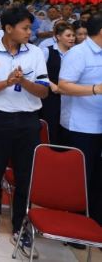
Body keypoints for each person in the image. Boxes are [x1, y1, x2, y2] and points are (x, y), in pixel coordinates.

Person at [0, 7, 49, 259]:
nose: (30, 32)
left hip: (28, 122)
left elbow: (43, 91)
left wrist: (23, 82)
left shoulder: (36, 53)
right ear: (8, 29)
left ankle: (20, 227)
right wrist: (6, 82)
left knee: (24, 178)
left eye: (30, 28)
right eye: (25, 28)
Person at [58, 13, 102, 225]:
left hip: (99, 123)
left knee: (98, 179)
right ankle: (75, 225)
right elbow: (64, 85)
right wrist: (95, 89)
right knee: (80, 179)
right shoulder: (78, 53)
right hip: (81, 126)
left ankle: (95, 222)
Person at [40, 22, 76, 144]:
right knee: (51, 127)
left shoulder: (76, 53)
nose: (72, 38)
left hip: (70, 96)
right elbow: (38, 72)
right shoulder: (47, 51)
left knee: (66, 129)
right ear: (58, 37)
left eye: (73, 35)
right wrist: (51, 84)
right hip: (51, 97)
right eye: (68, 35)